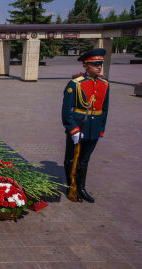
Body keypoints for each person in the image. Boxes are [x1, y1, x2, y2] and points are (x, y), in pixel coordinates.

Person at [62, 49, 109, 203]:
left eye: (100, 64)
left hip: (93, 127)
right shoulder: (75, 84)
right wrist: (73, 129)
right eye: (95, 64)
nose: (99, 67)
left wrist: (101, 129)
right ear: (86, 65)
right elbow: (66, 110)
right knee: (71, 158)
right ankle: (71, 187)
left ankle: (81, 187)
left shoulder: (104, 84)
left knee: (85, 159)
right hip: (78, 127)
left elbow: (104, 109)